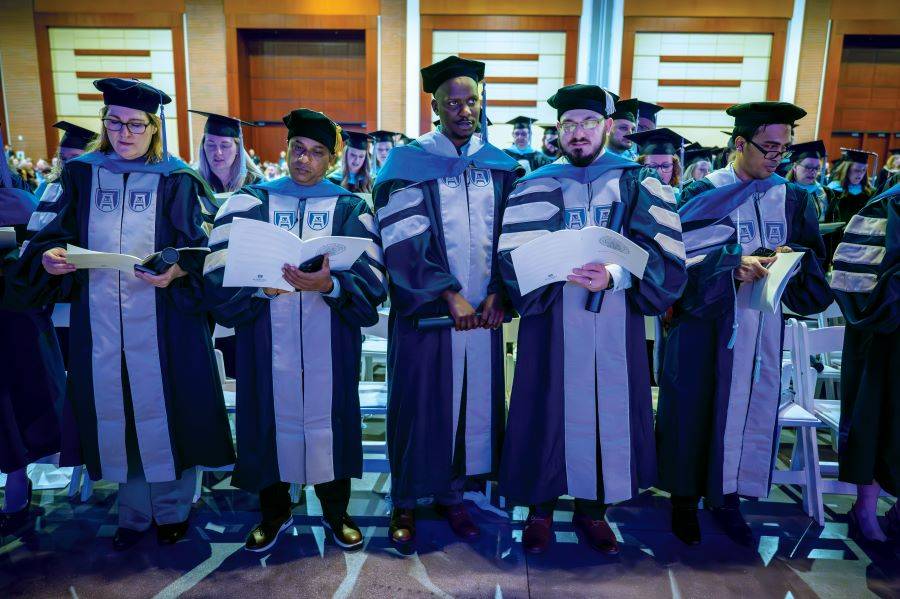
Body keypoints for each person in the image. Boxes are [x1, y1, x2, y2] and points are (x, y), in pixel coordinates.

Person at [5, 78, 235, 551]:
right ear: (104, 125)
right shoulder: (79, 175)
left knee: (169, 408)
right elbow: (43, 236)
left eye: (135, 125)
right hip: (102, 321)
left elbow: (208, 248)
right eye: (115, 123)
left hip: (167, 322)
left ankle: (172, 508)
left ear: (153, 128)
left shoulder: (178, 179)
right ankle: (131, 513)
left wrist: (178, 268)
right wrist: (50, 258)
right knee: (120, 410)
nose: (125, 133)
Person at [497, 83, 687, 556]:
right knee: (546, 405)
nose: (577, 133)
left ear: (606, 127)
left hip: (614, 321)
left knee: (607, 411)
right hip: (551, 320)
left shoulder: (636, 181)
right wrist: (547, 269)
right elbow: (509, 256)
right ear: (557, 131)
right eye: (568, 125)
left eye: (587, 123)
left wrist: (617, 274)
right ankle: (540, 508)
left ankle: (593, 510)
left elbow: (665, 257)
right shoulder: (534, 182)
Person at [204, 108, 387, 552]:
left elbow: (374, 278)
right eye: (297, 149)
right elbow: (216, 268)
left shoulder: (350, 207)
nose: (304, 160)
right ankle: (275, 512)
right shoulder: (249, 201)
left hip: (330, 343)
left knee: (332, 419)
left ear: (331, 159)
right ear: (286, 150)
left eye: (317, 152)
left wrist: (332, 284)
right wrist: (260, 291)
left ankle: (335, 511)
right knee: (266, 419)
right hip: (266, 340)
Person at [656, 101, 833, 547]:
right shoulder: (702, 191)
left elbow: (813, 260)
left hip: (761, 327)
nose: (777, 158)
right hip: (705, 325)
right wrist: (731, 264)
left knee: (748, 407)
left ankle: (728, 498)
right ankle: (683, 502)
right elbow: (675, 262)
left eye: (783, 150)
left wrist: (789, 261)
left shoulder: (793, 197)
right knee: (694, 408)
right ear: (740, 143)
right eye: (769, 148)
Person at [373, 55, 522, 547]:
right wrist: (448, 293)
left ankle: (454, 494)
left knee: (470, 404)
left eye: (471, 101)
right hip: (429, 316)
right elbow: (402, 236)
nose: (464, 111)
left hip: (485, 315)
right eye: (452, 102)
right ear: (434, 106)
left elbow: (515, 235)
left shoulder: (500, 166)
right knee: (419, 405)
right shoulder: (409, 164)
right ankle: (406, 500)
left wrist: (501, 290)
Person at [0, 135, 69, 537]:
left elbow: (36, 262)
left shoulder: (21, 203)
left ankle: (17, 483)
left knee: (9, 410)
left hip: (11, 322)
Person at [829, 181, 899, 543]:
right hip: (885, 340)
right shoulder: (886, 206)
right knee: (876, 421)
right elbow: (854, 282)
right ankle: (865, 511)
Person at [190, 110, 262, 196]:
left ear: (238, 149)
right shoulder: (192, 183)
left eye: (225, 145)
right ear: (203, 147)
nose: (218, 152)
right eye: (211, 144)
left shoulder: (255, 185)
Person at [33, 121, 96, 202]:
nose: (67, 163)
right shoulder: (47, 185)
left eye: (75, 157)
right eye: (62, 158)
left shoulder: (99, 187)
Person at [626, 128, 688, 202]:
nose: (659, 172)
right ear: (640, 167)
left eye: (665, 166)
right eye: (652, 166)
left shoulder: (679, 199)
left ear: (673, 169)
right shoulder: (629, 197)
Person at [785, 140, 833, 223]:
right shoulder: (783, 191)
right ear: (795, 167)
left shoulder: (827, 193)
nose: (813, 172)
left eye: (817, 168)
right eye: (808, 167)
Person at [827, 149, 874, 223]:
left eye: (864, 170)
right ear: (846, 170)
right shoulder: (833, 189)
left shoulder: (870, 192)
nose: (860, 174)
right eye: (856, 170)